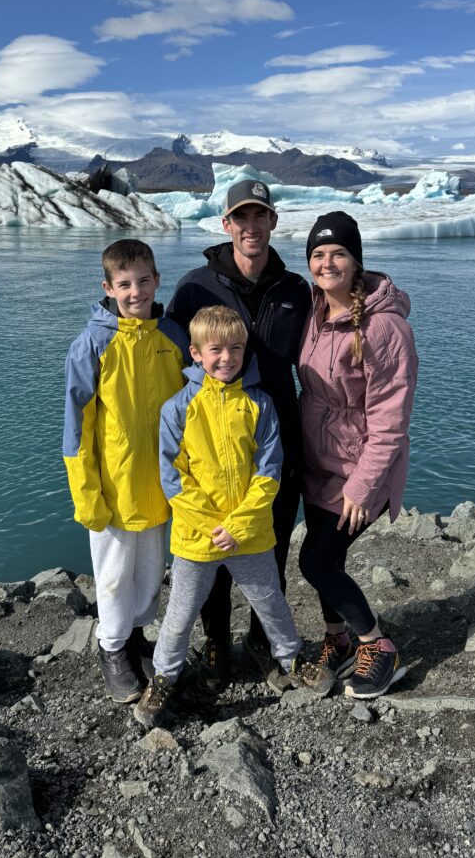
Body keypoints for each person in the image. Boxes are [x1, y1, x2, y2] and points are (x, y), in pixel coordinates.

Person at [133, 306, 333, 726]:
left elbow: (269, 472)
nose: (226, 358)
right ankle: (164, 676)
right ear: (196, 353)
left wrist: (238, 526)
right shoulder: (178, 409)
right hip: (197, 538)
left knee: (272, 602)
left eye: (236, 348)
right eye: (216, 350)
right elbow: (174, 479)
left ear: (246, 351)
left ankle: (292, 660)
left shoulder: (260, 405)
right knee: (182, 612)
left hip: (250, 534)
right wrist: (212, 526)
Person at [166, 175, 310, 692]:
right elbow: (170, 363)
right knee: (211, 558)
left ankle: (261, 642)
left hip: (275, 443)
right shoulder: (193, 288)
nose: (251, 227)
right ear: (225, 224)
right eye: (240, 217)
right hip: (208, 451)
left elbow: (324, 349)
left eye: (260, 216)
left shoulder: (296, 290)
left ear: (273, 221)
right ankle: (215, 644)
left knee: (268, 553)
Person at [297, 211, 419, 700]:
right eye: (318, 254)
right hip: (316, 462)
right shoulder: (315, 311)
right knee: (329, 557)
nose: (328, 263)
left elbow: (391, 421)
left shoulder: (385, 329)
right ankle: (338, 638)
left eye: (339, 253)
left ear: (357, 260)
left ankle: (377, 644)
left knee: (316, 562)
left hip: (358, 470)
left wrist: (364, 485)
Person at [63, 239, 189, 704]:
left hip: (160, 484)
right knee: (114, 574)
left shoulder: (173, 337)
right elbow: (77, 427)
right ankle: (112, 648)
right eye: (124, 284)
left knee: (150, 569)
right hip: (113, 488)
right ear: (108, 288)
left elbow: (192, 407)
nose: (135, 291)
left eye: (143, 281)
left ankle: (136, 637)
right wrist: (86, 493)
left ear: (157, 280)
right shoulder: (93, 344)